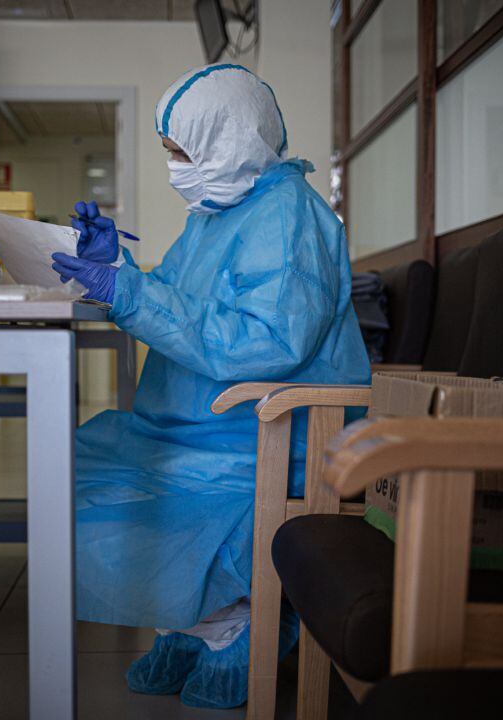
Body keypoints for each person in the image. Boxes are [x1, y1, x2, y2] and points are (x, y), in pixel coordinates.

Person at [51, 64, 371, 709]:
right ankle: (200, 622)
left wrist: (128, 291)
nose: (175, 167)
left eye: (182, 152)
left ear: (229, 139)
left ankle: (233, 623)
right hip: (192, 428)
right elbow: (175, 300)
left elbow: (271, 343)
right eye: (169, 152)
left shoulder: (290, 215)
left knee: (118, 505)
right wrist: (118, 265)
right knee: (65, 480)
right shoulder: (215, 211)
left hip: (270, 438)